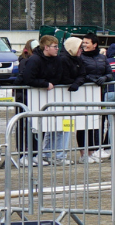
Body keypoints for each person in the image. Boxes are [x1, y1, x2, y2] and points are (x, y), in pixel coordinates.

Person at [19, 35, 75, 164]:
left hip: (47, 97)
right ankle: (27, 155)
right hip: (31, 97)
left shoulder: (57, 60)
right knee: (32, 126)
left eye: (57, 46)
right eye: (54, 47)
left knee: (48, 126)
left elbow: (59, 76)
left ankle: (45, 154)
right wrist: (44, 84)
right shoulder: (34, 60)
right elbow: (28, 79)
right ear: (46, 47)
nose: (57, 49)